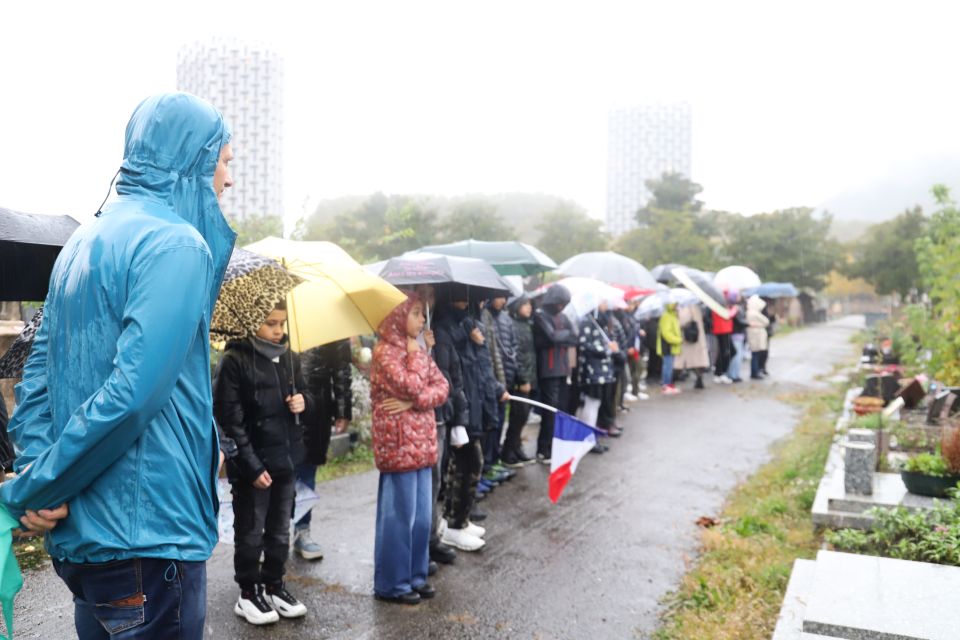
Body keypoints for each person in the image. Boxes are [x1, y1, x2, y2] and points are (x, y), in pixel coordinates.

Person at [0, 93, 234, 639]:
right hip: (150, 536)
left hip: (88, 539)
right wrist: (38, 489)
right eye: (224, 161)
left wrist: (42, 479)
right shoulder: (177, 245)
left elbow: (35, 383)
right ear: (192, 160)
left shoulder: (81, 243)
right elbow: (133, 396)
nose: (228, 179)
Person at [215, 302, 313, 624]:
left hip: (286, 461)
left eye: (282, 324)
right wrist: (252, 466)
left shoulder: (289, 358)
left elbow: (307, 400)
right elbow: (230, 422)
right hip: (253, 467)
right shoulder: (235, 361)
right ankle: (248, 593)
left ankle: (274, 584)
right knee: (251, 531)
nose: (278, 330)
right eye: (271, 323)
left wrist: (303, 402)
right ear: (251, 322)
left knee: (280, 531)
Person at [370, 295, 449, 605]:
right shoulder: (385, 353)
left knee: (419, 519)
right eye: (416, 314)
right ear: (397, 317)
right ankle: (392, 583)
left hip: (423, 445)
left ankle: (416, 575)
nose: (422, 321)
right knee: (399, 518)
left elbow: (442, 388)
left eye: (421, 314)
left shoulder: (416, 350)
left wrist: (414, 401)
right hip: (399, 446)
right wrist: (418, 359)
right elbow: (414, 385)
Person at [434, 288, 495, 552]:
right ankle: (453, 524)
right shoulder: (443, 327)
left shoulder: (468, 324)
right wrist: (466, 335)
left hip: (471, 401)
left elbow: (477, 365)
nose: (465, 303)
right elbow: (449, 369)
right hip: (459, 405)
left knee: (473, 463)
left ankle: (462, 518)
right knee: (464, 463)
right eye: (459, 297)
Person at [295, 338, 353, 560]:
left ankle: (302, 529)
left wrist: (342, 409)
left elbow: (341, 366)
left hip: (317, 403)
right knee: (275, 469)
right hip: (278, 398)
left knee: (307, 468)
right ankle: (270, 533)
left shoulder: (328, 312)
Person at [532, 286, 578, 463]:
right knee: (549, 411)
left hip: (562, 368)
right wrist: (563, 336)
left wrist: (561, 336)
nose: (562, 306)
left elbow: (574, 337)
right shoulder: (540, 315)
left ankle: (555, 445)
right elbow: (553, 337)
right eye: (560, 302)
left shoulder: (562, 317)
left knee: (561, 408)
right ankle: (544, 449)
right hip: (548, 369)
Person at [501, 295, 537, 467]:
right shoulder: (512, 325)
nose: (529, 307)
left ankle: (516, 447)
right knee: (518, 415)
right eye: (525, 304)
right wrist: (523, 378)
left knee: (523, 416)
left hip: (530, 376)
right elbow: (517, 355)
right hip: (519, 380)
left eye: (529, 304)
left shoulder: (527, 325)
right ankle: (508, 451)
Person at [675, 304, 710, 390]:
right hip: (697, 338)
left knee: (683, 360)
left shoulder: (685, 308)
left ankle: (671, 380)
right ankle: (699, 378)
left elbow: (682, 321)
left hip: (688, 339)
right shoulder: (696, 307)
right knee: (697, 361)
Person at [658, 303, 683, 395]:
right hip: (667, 346)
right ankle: (666, 385)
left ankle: (669, 384)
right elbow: (666, 333)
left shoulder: (673, 316)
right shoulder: (666, 316)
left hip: (672, 346)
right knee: (667, 366)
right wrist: (678, 340)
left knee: (670, 366)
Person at [712, 293, 736, 384]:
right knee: (727, 352)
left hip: (724, 330)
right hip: (722, 331)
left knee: (725, 352)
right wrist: (734, 309)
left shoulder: (720, 306)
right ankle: (720, 373)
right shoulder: (718, 306)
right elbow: (728, 315)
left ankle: (719, 373)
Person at [746, 295, 771, 380]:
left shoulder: (748, 312)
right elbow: (766, 321)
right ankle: (755, 372)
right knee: (756, 355)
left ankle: (755, 371)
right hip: (757, 336)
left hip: (752, 335)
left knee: (754, 354)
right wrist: (761, 325)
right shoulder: (755, 313)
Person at [727, 295, 748, 383]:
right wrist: (748, 323)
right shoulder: (735, 308)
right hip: (736, 334)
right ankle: (733, 375)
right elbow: (739, 321)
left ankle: (734, 374)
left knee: (737, 355)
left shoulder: (735, 307)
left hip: (737, 334)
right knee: (736, 356)